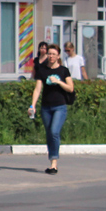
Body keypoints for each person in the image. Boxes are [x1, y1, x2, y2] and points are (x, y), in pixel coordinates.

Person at [29, 43, 74, 175]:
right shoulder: (42, 70)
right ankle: (52, 162)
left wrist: (59, 81)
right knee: (49, 134)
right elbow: (38, 89)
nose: (51, 56)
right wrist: (33, 105)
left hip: (60, 107)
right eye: (49, 53)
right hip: (46, 107)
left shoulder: (63, 70)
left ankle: (54, 163)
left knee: (54, 132)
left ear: (58, 56)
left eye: (54, 54)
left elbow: (71, 88)